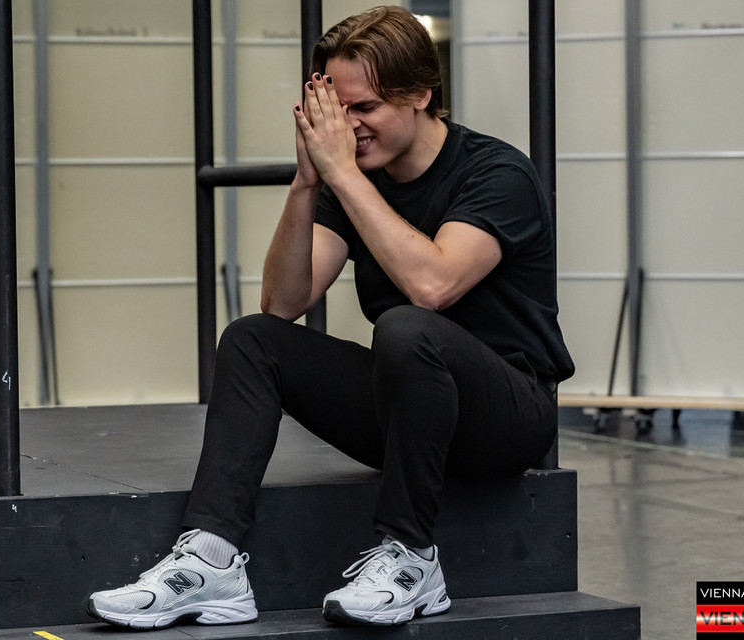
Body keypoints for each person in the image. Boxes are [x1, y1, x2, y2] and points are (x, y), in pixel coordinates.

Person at [87, 4, 573, 630]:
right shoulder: (356, 180)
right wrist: (308, 183)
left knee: (406, 326)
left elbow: (433, 285)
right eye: (337, 111)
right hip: (411, 413)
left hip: (507, 416)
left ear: (421, 94)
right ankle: (212, 560)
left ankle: (412, 558)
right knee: (252, 340)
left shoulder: (497, 173)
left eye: (364, 107)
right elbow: (284, 303)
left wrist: (344, 173)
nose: (348, 127)